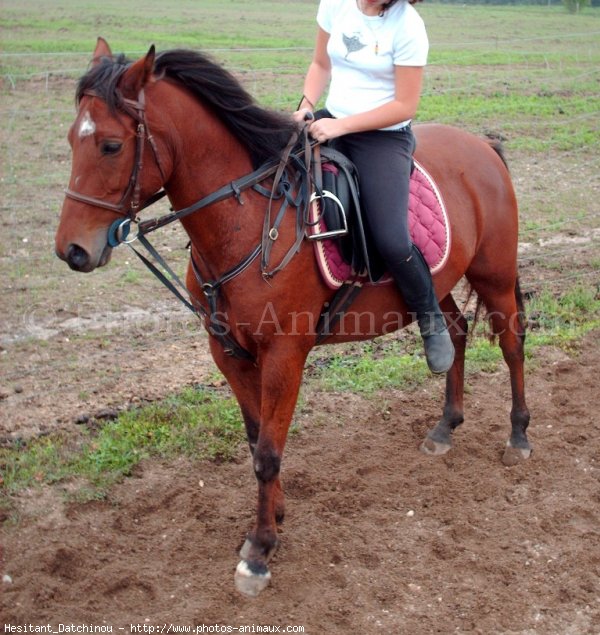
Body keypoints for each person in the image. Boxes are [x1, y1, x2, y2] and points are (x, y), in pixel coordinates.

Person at [293, 0, 454, 374]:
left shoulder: (408, 26)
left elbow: (404, 104)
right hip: (329, 120)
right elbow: (321, 63)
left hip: (381, 137)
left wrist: (341, 127)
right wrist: (306, 105)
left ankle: (430, 316)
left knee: (392, 239)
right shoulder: (335, 4)